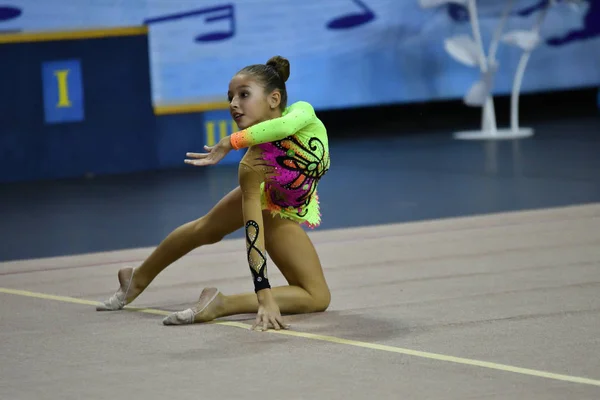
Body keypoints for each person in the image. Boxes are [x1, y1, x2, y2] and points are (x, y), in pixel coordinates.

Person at [97, 55, 332, 332]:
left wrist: (231, 142)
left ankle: (153, 283)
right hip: (274, 208)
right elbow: (253, 232)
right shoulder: (252, 165)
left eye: (244, 95)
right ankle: (195, 297)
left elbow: (284, 128)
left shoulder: (302, 114)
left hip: (287, 207)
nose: (233, 104)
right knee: (317, 296)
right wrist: (264, 295)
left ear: (274, 98)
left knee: (207, 229)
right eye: (230, 97)